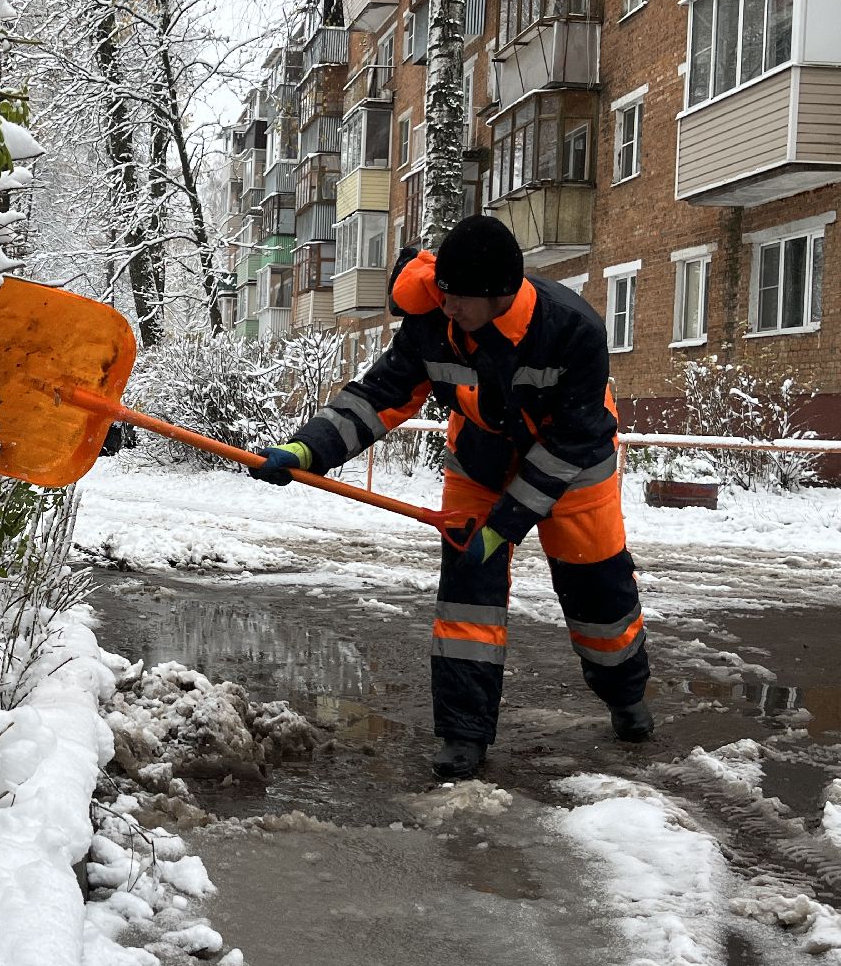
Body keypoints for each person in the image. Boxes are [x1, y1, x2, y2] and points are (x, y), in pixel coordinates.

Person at [250, 216, 652, 780]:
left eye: (459, 297)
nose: (448, 305)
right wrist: (306, 450)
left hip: (574, 467)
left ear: (499, 296)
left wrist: (504, 525)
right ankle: (463, 737)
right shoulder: (434, 325)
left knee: (598, 591)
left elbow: (571, 441)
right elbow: (378, 397)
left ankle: (626, 696)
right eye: (443, 292)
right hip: (481, 460)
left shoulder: (572, 330)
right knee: (468, 593)